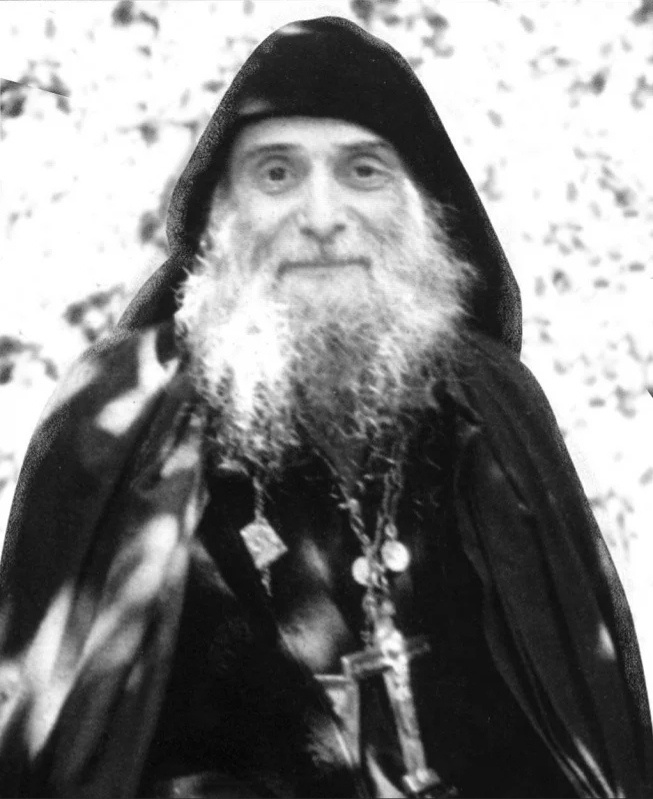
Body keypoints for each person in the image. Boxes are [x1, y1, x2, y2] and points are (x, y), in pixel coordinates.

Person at [0, 16, 651, 799]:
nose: (320, 215)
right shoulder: (119, 420)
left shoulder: (493, 409)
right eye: (275, 173)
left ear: (424, 207)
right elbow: (67, 748)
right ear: (219, 213)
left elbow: (581, 723)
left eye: (362, 170)